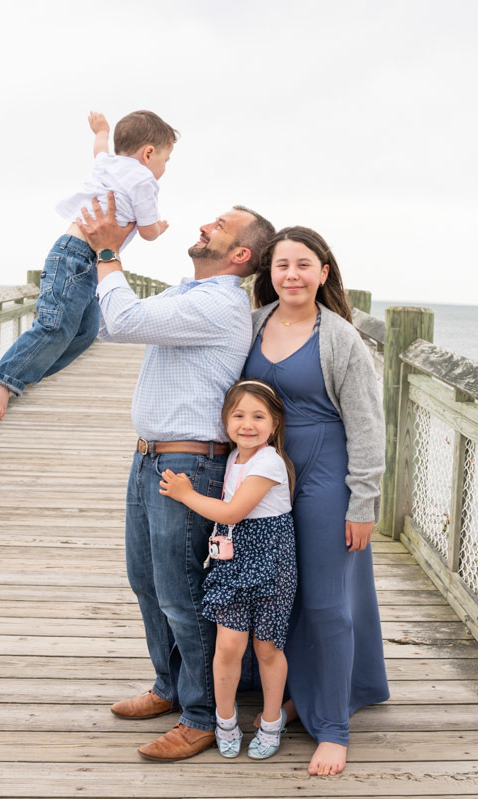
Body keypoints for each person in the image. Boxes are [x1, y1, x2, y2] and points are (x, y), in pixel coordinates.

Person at [76, 192, 276, 762]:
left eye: (220, 225)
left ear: (239, 255)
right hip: (152, 458)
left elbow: (125, 314)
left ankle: (203, 715)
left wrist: (109, 248)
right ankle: (169, 686)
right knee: (147, 582)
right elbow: (113, 328)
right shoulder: (189, 293)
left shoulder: (219, 304)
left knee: (182, 592)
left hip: (188, 462)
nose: (204, 225)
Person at [244, 226, 388, 776]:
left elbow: (368, 427)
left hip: (326, 475)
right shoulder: (252, 324)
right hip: (265, 474)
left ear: (324, 273)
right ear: (269, 274)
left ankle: (333, 728)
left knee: (327, 601)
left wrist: (363, 503)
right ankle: (297, 693)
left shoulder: (341, 338)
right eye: (282, 266)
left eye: (304, 265)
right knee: (279, 590)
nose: (292, 276)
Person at [0, 110, 177, 420]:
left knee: (85, 333)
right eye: (166, 161)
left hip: (78, 257)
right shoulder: (143, 179)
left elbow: (99, 148)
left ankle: (24, 373)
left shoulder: (108, 164)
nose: (164, 169)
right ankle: (5, 375)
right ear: (149, 152)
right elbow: (148, 231)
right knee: (55, 325)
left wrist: (101, 130)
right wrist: (160, 228)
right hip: (77, 256)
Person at [158, 379, 298, 761]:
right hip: (232, 562)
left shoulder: (269, 461)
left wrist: (187, 495)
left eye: (258, 416)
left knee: (267, 647)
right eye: (238, 415)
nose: (247, 424)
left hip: (270, 562)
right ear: (224, 421)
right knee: (229, 646)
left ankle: (272, 721)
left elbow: (235, 512)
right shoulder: (233, 458)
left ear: (275, 423)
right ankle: (224, 720)